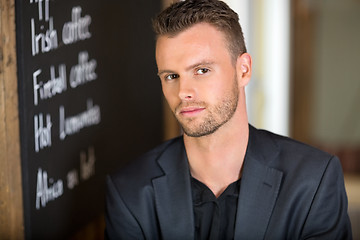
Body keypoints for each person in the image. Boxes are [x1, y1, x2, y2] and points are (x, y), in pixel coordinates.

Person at [105, 0, 352, 239]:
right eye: (171, 76)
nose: (183, 92)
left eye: (202, 70)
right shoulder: (130, 192)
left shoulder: (313, 180)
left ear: (243, 70)